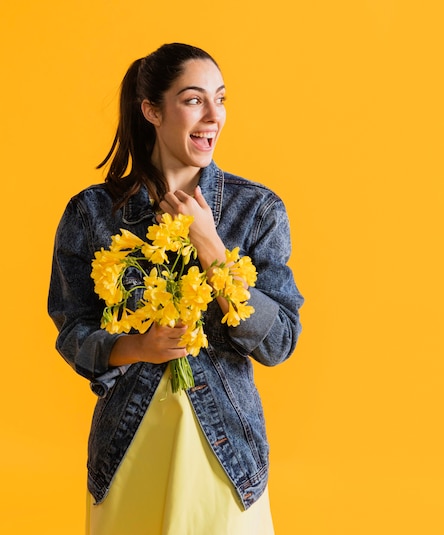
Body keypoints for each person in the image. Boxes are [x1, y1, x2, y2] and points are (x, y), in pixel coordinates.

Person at [48, 42, 303, 535]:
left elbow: (279, 343)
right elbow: (71, 329)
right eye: (193, 100)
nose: (214, 115)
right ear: (151, 110)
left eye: (221, 99)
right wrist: (135, 347)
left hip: (227, 455)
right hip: (127, 450)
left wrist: (210, 245)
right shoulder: (92, 213)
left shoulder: (257, 211)